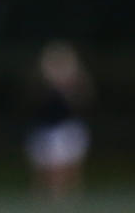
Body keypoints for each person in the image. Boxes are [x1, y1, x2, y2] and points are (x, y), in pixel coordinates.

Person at [24, 40, 92, 197]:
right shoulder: (39, 82)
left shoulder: (76, 82)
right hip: (45, 129)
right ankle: (44, 201)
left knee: (71, 171)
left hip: (67, 128)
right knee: (45, 173)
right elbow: (31, 101)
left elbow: (84, 100)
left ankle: (71, 199)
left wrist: (69, 86)